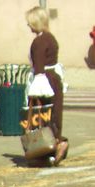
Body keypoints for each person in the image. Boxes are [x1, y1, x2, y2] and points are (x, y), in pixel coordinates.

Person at [27, 6, 68, 164]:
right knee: (54, 114)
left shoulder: (39, 41)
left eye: (30, 23)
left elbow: (39, 66)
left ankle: (51, 146)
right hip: (54, 79)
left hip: (45, 81)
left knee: (43, 114)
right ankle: (56, 143)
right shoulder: (50, 37)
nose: (29, 26)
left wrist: (34, 89)